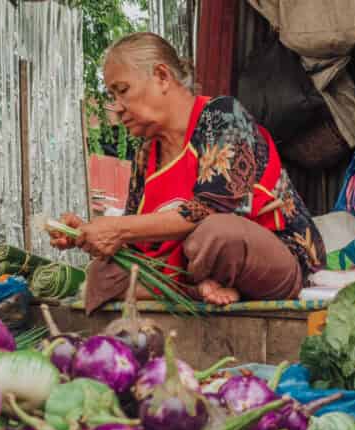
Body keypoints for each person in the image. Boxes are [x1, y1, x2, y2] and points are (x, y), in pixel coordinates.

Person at [51, 32, 325, 312]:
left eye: (122, 90)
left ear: (161, 76)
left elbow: (213, 209)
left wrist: (116, 230)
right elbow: (134, 238)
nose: (117, 107)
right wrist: (88, 234)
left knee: (217, 233)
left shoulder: (221, 115)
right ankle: (200, 290)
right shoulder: (146, 155)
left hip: (269, 261)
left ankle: (206, 285)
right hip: (190, 267)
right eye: (112, 95)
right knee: (103, 274)